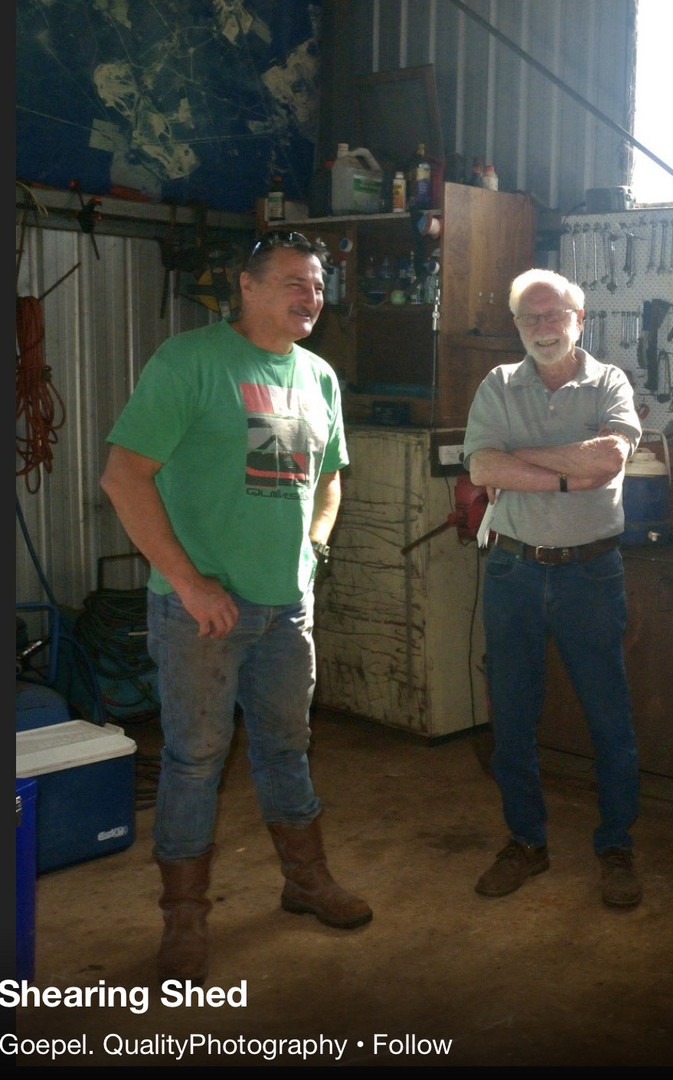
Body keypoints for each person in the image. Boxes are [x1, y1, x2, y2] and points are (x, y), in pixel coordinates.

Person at [101, 231, 368, 982]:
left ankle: (305, 882)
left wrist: (315, 546)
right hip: (201, 612)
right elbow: (124, 476)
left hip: (288, 605)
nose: (308, 296)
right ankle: (183, 919)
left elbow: (330, 478)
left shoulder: (317, 375)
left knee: (287, 745)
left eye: (316, 286)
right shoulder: (189, 362)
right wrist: (188, 582)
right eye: (291, 282)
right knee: (195, 759)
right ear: (245, 288)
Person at [463, 268, 643, 908]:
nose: (543, 328)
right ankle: (526, 842)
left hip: (590, 573)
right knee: (511, 717)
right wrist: (571, 472)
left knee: (609, 717)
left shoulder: (610, 382)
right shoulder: (497, 385)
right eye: (529, 318)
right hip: (513, 569)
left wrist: (527, 462)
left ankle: (617, 846)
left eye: (554, 315)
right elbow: (482, 465)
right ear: (518, 326)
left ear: (579, 320)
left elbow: (610, 461)